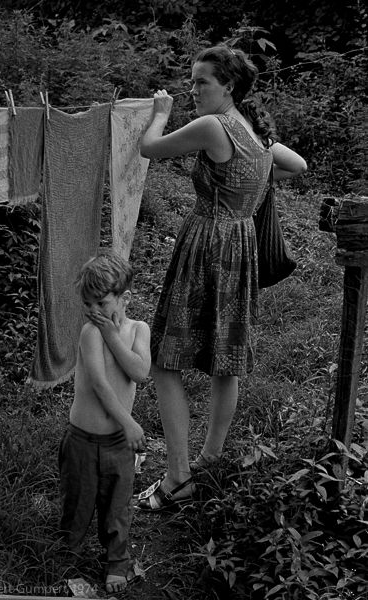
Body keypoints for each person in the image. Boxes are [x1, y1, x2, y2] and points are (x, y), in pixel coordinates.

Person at [136, 45, 307, 511]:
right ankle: (208, 461)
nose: (192, 90)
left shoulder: (214, 126)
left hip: (208, 243)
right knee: (225, 360)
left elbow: (149, 148)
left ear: (228, 86)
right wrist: (263, 179)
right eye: (191, 82)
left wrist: (160, 111)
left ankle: (178, 477)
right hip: (242, 248)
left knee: (164, 361)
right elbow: (298, 165)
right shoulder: (257, 133)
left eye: (201, 82)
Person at [58, 251, 151, 592]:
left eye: (101, 303)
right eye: (88, 304)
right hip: (82, 439)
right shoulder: (89, 333)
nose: (94, 312)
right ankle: (65, 554)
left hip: (116, 444)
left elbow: (140, 372)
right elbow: (98, 384)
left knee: (118, 505)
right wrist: (130, 423)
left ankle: (116, 561)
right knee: (77, 501)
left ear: (124, 298)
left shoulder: (139, 330)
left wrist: (114, 334)